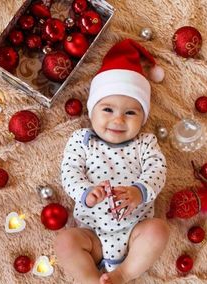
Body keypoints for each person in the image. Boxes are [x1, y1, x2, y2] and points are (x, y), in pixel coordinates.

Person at [55, 39, 169, 284]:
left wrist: (139, 192)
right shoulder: (82, 140)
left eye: (130, 113)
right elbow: (70, 171)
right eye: (107, 110)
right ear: (92, 110)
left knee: (159, 230)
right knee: (65, 242)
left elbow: (157, 169)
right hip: (92, 233)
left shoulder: (145, 142)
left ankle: (123, 273)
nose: (118, 120)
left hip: (135, 229)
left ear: (143, 117)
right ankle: (89, 279)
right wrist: (86, 192)